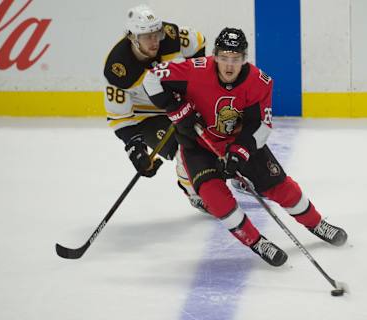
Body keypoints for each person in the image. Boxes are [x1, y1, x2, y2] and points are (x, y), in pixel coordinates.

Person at [143, 27, 348, 266]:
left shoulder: (259, 82)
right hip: (197, 145)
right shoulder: (194, 70)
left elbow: (260, 126)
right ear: (215, 55)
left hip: (237, 141)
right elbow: (152, 78)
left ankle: (317, 223)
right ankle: (256, 241)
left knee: (281, 187)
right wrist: (175, 109)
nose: (229, 65)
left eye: (236, 59)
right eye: (224, 58)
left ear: (244, 58)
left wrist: (239, 152)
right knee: (214, 197)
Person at [103, 4, 206, 211]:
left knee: (218, 128)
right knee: (183, 148)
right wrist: (136, 150)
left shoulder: (171, 37)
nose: (155, 41)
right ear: (132, 37)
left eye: (156, 33)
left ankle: (232, 175)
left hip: (177, 103)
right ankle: (195, 193)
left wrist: (196, 87)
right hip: (147, 117)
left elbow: (198, 42)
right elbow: (120, 119)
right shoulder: (118, 68)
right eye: (146, 36)